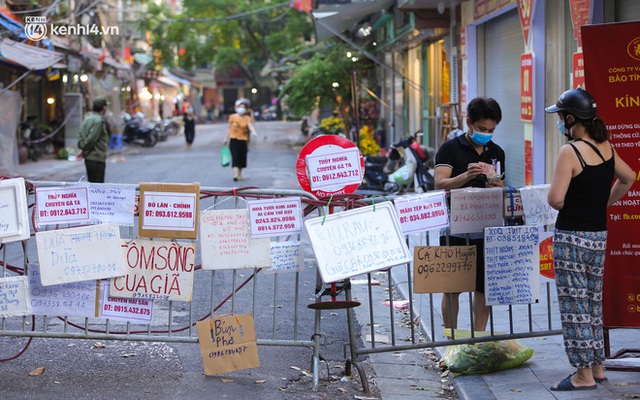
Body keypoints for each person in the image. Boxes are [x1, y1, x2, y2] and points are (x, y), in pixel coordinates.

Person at [545, 88, 635, 391]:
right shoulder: (605, 147)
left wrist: (572, 198)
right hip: (598, 236)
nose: (560, 123)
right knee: (592, 304)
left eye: (561, 117)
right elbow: (629, 177)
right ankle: (597, 367)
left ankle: (582, 375)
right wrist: (604, 203)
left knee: (575, 307)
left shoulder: (570, 152)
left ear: (571, 119)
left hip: (571, 237)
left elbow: (556, 199)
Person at [433, 96, 506, 333]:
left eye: (491, 130)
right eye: (482, 128)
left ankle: (479, 338)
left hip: (486, 226)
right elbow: (440, 183)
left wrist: (499, 188)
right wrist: (465, 176)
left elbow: (502, 186)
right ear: (468, 123)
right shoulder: (449, 148)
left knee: (484, 287)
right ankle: (451, 338)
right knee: (453, 286)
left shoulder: (497, 152)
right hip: (455, 226)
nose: (486, 133)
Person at [78, 96, 110, 183]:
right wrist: (86, 148)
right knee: (97, 188)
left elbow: (80, 135)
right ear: (104, 108)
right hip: (97, 157)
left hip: (89, 158)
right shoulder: (99, 121)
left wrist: (83, 148)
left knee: (91, 184)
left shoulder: (87, 119)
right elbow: (92, 138)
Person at [223, 100, 256, 181]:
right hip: (234, 139)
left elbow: (250, 125)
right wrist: (225, 138)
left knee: (242, 157)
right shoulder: (232, 117)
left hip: (243, 140)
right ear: (237, 108)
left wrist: (253, 131)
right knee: (235, 156)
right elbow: (229, 128)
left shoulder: (247, 118)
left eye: (243, 108)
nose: (241, 109)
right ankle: (235, 175)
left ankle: (240, 174)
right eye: (240, 107)